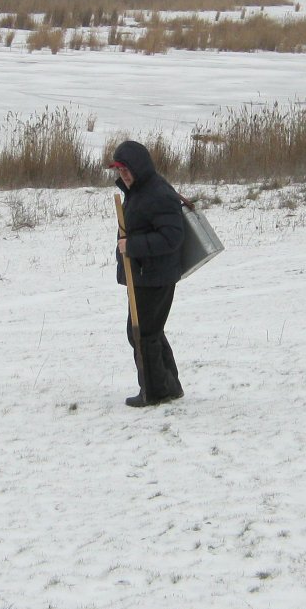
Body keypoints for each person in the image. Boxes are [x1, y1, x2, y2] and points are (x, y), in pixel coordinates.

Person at [109, 140, 186, 408]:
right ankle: (168, 386)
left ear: (139, 167)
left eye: (126, 169)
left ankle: (155, 392)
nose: (123, 175)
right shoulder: (140, 191)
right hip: (146, 273)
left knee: (143, 333)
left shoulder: (158, 194)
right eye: (119, 170)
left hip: (156, 276)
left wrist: (132, 246)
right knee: (149, 332)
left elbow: (172, 237)